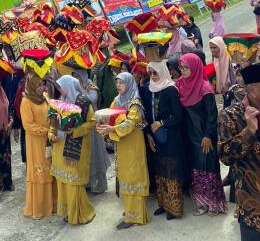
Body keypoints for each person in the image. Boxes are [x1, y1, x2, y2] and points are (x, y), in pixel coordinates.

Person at [218, 64, 260, 241]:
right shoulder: (232, 115)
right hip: (256, 209)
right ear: (253, 90)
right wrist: (248, 132)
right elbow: (225, 156)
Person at [175, 53, 227, 216]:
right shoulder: (180, 85)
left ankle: (214, 204)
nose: (182, 71)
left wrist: (208, 135)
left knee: (208, 167)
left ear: (195, 68)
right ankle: (202, 203)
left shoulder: (205, 88)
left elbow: (212, 116)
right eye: (181, 67)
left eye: (186, 68)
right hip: (188, 136)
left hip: (204, 136)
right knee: (195, 170)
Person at [97, 72, 149, 229]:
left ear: (130, 84)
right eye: (117, 83)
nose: (118, 85)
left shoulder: (135, 103)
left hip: (133, 143)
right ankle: (130, 211)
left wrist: (111, 128)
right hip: (121, 143)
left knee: (134, 176)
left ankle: (136, 216)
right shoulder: (117, 100)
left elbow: (131, 124)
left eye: (122, 83)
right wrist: (102, 123)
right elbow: (110, 115)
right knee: (125, 176)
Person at [49, 95, 96, 225]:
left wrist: (75, 130)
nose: (61, 90)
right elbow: (53, 121)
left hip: (76, 149)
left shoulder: (83, 102)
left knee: (73, 182)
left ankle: (80, 214)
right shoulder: (58, 102)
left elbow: (92, 122)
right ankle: (68, 213)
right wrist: (51, 134)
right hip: (59, 148)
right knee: (63, 181)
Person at [147, 62, 186, 220]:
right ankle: (163, 204)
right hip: (156, 136)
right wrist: (151, 132)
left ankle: (174, 209)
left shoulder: (170, 89)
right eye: (150, 73)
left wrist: (162, 123)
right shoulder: (151, 89)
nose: (152, 76)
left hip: (171, 136)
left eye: (155, 73)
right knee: (160, 171)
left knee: (171, 172)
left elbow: (178, 116)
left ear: (162, 72)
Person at [21, 72, 56, 219]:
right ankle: (39, 208)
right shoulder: (26, 102)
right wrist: (46, 131)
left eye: (43, 84)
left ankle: (52, 205)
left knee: (50, 169)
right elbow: (28, 125)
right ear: (32, 86)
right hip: (36, 142)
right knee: (39, 170)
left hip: (49, 141)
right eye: (39, 85)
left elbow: (53, 113)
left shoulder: (45, 98)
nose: (42, 87)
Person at [72, 69, 110, 194]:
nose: (76, 79)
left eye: (78, 76)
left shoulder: (91, 86)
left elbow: (91, 100)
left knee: (94, 151)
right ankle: (86, 182)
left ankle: (98, 184)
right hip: (82, 125)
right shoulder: (75, 86)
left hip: (93, 124)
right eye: (74, 76)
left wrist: (81, 92)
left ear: (83, 76)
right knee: (85, 154)